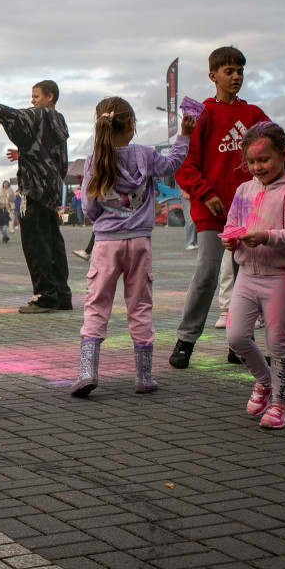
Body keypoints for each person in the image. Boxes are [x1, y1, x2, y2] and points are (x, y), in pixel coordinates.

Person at [70, 97, 192, 397]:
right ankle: (143, 376)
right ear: (131, 126)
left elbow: (88, 206)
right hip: (140, 242)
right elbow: (173, 164)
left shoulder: (93, 160)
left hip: (106, 245)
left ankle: (87, 371)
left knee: (97, 305)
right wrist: (184, 137)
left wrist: (103, 220)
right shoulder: (145, 155)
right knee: (139, 305)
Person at [169, 47, 268, 369]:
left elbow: (274, 150)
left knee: (246, 278)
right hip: (211, 210)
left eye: (240, 70)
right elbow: (184, 164)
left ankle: (241, 345)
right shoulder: (201, 113)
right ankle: (185, 340)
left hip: (247, 212)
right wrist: (204, 192)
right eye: (229, 71)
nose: (236, 76)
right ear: (213, 76)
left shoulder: (254, 114)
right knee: (207, 273)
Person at [222, 121, 285, 429]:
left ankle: (280, 404)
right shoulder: (243, 189)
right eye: (252, 162)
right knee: (236, 337)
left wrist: (266, 237)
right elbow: (232, 223)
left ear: (284, 154)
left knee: (278, 342)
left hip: (280, 277)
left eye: (264, 160)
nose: (257, 167)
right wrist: (230, 239)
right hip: (246, 274)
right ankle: (264, 380)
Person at [0, 81, 71, 313]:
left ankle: (44, 296)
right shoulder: (59, 121)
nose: (33, 101)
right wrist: (26, 155)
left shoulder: (40, 116)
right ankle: (61, 294)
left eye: (36, 96)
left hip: (34, 190)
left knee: (35, 244)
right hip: (52, 189)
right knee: (54, 243)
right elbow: (50, 155)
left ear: (49, 97)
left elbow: (13, 116)